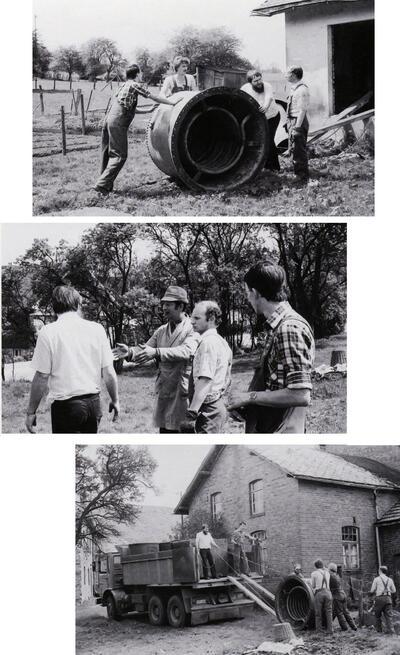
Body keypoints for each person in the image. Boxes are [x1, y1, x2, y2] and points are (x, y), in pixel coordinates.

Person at [227, 260, 315, 433]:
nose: (248, 298)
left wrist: (249, 398)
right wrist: (250, 407)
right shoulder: (277, 326)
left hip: (282, 432)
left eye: (247, 292)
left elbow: (300, 394)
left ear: (256, 292)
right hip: (271, 425)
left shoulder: (289, 328)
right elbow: (277, 383)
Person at [26, 286, 119, 434]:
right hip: (93, 404)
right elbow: (108, 372)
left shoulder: (48, 332)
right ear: (78, 304)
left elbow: (42, 376)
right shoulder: (97, 329)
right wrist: (115, 400)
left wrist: (31, 411)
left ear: (54, 306)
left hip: (66, 408)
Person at [113, 286, 200, 433]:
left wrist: (157, 352)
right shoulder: (161, 330)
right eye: (163, 304)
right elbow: (146, 349)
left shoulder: (193, 328)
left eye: (168, 304)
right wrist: (129, 351)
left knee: (184, 432)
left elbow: (187, 351)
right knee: (165, 431)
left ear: (180, 306)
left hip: (182, 390)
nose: (164, 308)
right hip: (164, 390)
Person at [93, 64, 182, 195]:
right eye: (140, 73)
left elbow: (127, 107)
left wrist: (149, 110)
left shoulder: (123, 86)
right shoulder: (134, 85)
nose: (141, 75)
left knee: (107, 153)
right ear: (137, 74)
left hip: (109, 121)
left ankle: (105, 185)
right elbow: (153, 96)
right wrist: (172, 103)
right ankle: (101, 185)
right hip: (117, 122)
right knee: (120, 156)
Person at [180, 301, 232, 434]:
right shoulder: (221, 341)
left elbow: (205, 380)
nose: (192, 322)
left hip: (208, 409)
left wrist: (191, 413)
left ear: (212, 319)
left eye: (197, 318)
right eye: (192, 317)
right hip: (215, 405)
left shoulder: (208, 343)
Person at [241, 70, 280, 172]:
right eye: (255, 81)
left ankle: (275, 167)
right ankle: (265, 166)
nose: (259, 82)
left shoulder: (267, 85)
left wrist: (266, 106)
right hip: (258, 119)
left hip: (272, 117)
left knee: (269, 140)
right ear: (250, 83)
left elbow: (269, 97)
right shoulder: (245, 89)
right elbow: (241, 101)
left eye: (259, 79)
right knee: (261, 141)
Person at [285, 65, 310, 183]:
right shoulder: (293, 88)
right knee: (292, 148)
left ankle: (302, 175)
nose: (285, 75)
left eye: (287, 73)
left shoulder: (302, 90)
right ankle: (297, 171)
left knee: (298, 149)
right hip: (292, 120)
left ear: (294, 75)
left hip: (298, 120)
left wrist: (297, 128)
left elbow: (302, 110)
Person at [328, 562, 357, 631]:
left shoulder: (331, 576)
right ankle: (353, 626)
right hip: (342, 594)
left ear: (330, 570)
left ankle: (344, 628)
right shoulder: (337, 576)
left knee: (339, 613)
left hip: (337, 596)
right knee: (346, 612)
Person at [370, 566, 397, 634]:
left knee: (377, 615)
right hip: (388, 599)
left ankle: (379, 631)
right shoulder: (390, 579)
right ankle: (391, 632)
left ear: (380, 571)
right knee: (389, 616)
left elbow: (372, 590)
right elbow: (394, 591)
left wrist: (376, 590)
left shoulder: (376, 579)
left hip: (379, 599)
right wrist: (387, 590)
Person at [311, 559, 333, 635]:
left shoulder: (314, 573)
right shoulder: (327, 573)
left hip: (319, 593)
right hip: (328, 593)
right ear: (322, 565)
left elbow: (313, 585)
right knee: (329, 612)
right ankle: (330, 630)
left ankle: (319, 630)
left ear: (315, 566)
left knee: (318, 612)